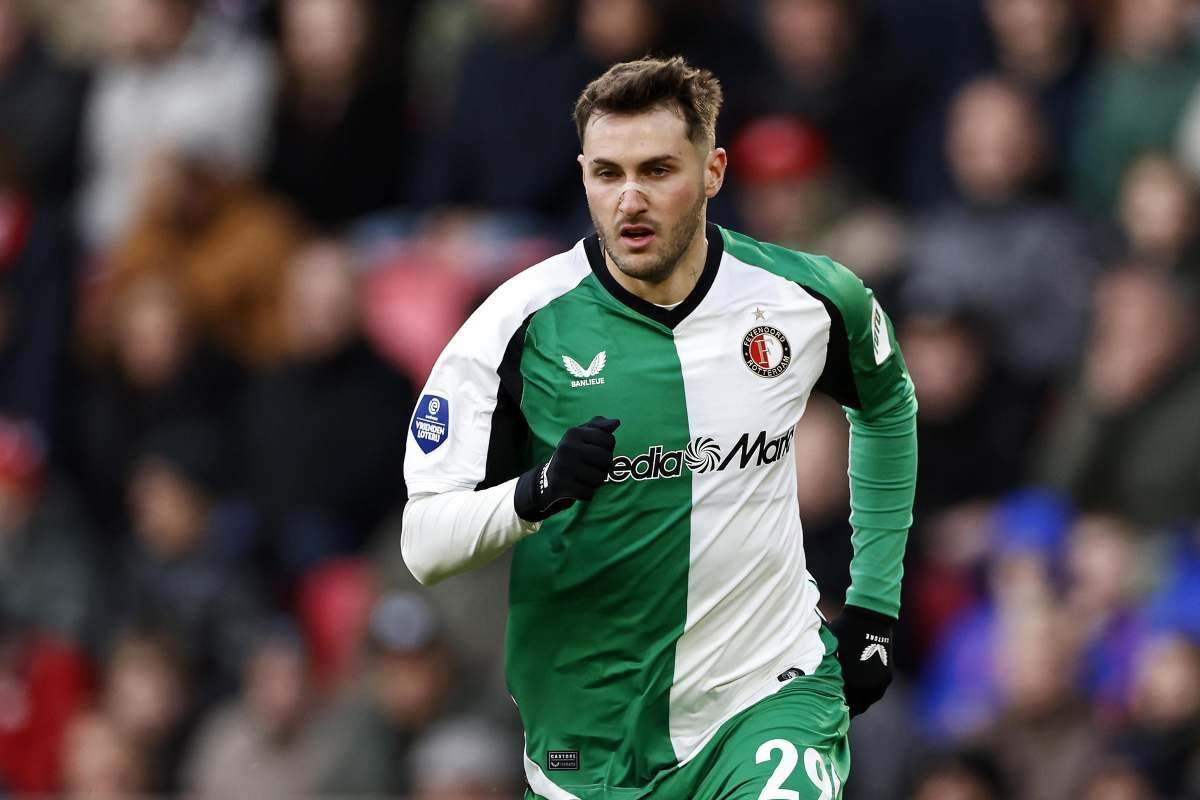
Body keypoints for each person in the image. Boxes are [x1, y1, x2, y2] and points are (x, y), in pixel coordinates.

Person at [401, 56, 918, 799]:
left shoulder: (808, 299)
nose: (631, 200)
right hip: (591, 736)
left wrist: (873, 604)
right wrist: (536, 492)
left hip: (764, 694)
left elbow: (888, 407)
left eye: (658, 170)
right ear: (582, 175)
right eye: (607, 174)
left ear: (713, 172)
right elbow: (424, 544)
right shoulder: (515, 326)